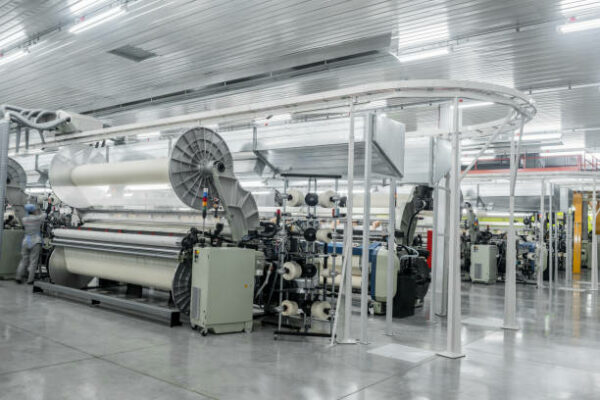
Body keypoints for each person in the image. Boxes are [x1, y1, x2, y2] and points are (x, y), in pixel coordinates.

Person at [15, 203, 44, 285]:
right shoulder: (37, 218)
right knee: (33, 262)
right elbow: (45, 215)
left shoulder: (25, 219)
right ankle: (30, 280)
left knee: (24, 260)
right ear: (33, 210)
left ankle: (18, 277)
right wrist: (39, 210)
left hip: (26, 241)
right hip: (35, 241)